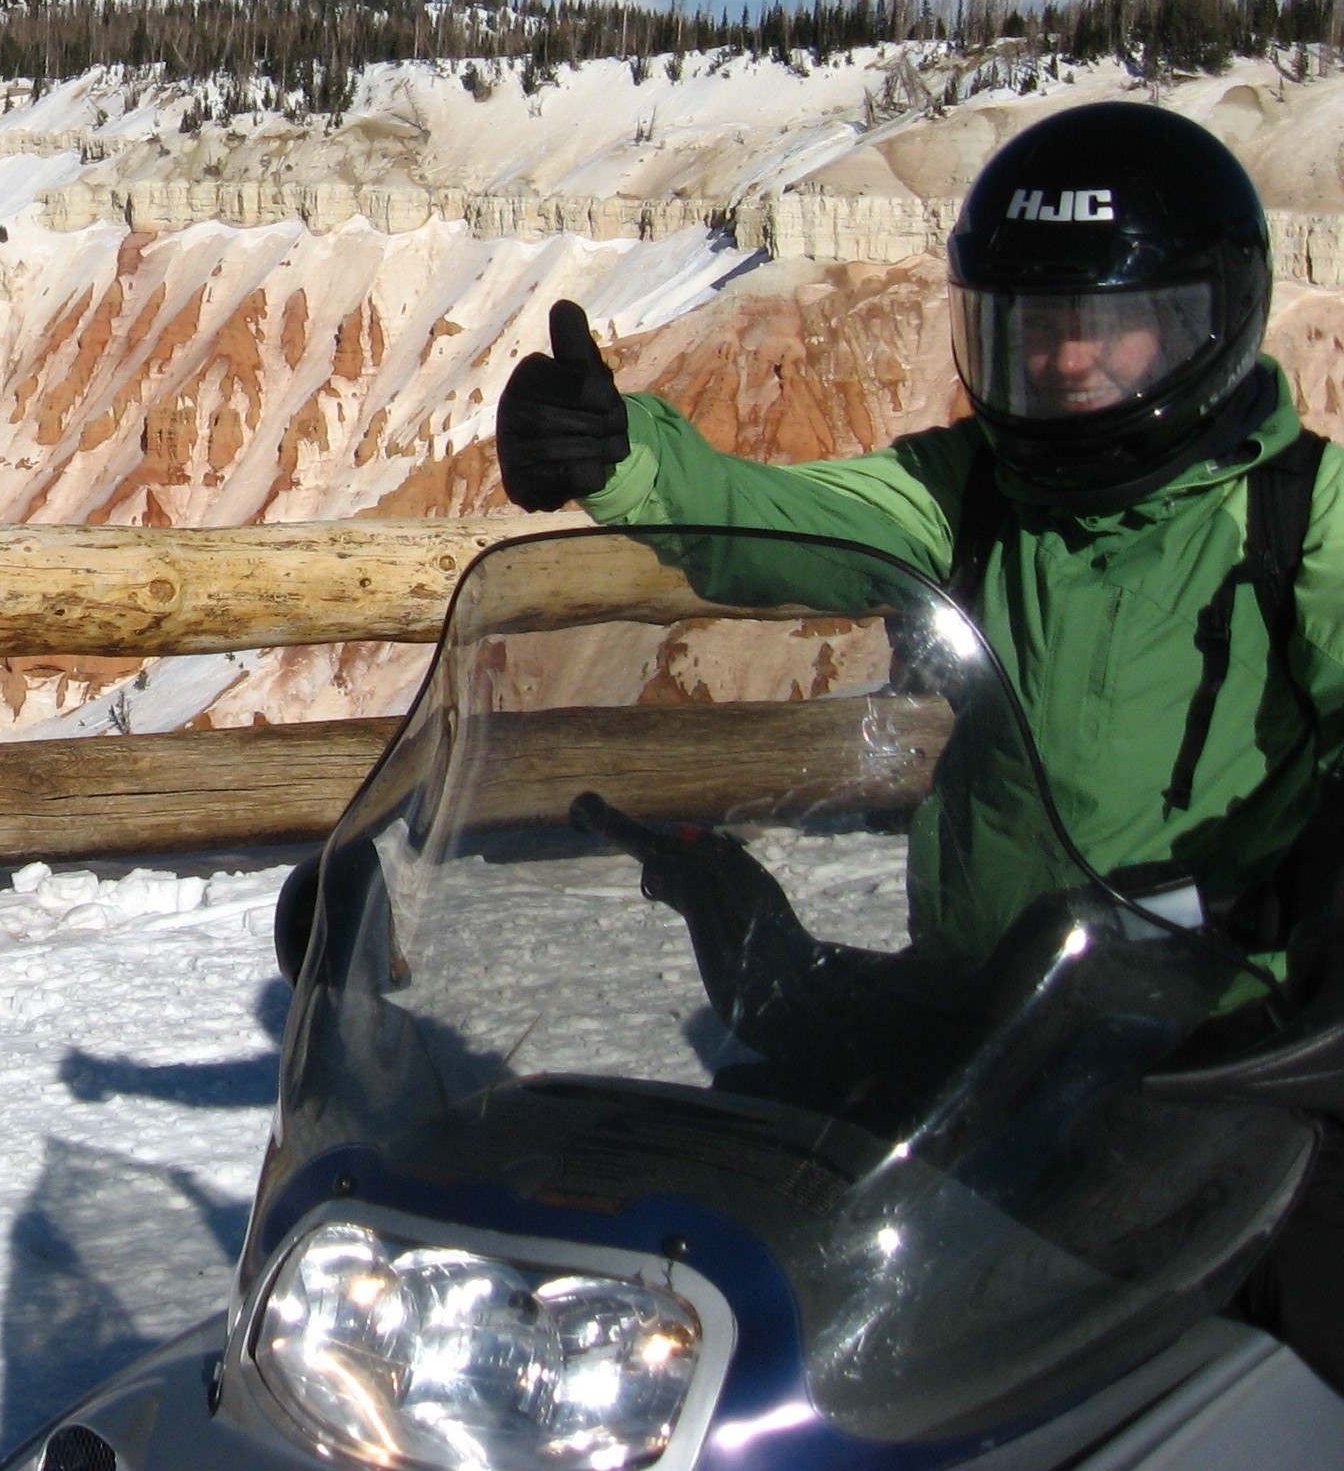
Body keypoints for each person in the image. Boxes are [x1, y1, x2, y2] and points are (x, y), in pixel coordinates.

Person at [496, 98, 1344, 1381]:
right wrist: (625, 460)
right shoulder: (975, 489)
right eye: (1032, 328)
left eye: (1110, 326)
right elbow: (784, 522)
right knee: (770, 1269)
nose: (1066, 362)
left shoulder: (1298, 514)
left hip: (1218, 1044)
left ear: (1203, 327)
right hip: (988, 1007)